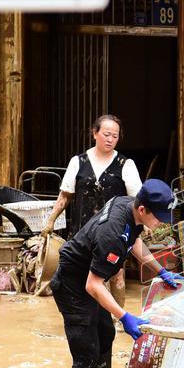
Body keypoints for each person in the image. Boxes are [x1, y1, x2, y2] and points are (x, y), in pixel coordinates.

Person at [50, 180, 182, 368]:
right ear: (142, 209)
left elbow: (133, 242)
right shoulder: (111, 232)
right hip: (74, 287)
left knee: (105, 335)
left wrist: (162, 270)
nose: (162, 223)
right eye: (159, 217)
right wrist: (124, 316)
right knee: (85, 354)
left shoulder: (128, 208)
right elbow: (94, 285)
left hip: (89, 281)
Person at [42, 114, 142, 305]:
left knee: (116, 275)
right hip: (83, 231)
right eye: (106, 134)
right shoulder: (78, 162)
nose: (110, 139)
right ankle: (88, 318)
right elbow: (65, 196)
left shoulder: (125, 165)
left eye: (115, 135)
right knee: (83, 276)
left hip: (114, 233)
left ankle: (118, 321)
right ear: (94, 133)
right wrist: (50, 221)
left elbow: (137, 202)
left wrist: (140, 231)